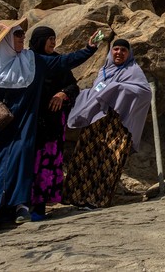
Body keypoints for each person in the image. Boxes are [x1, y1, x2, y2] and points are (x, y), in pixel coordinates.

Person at [0, 18, 98, 238]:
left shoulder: (31, 60)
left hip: (20, 130)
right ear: (4, 38)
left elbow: (63, 62)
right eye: (17, 34)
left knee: (18, 162)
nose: (23, 38)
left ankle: (17, 208)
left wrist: (89, 49)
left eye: (22, 34)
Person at [63, 39, 152, 208]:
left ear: (129, 54)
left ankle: (97, 200)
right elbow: (96, 92)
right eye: (116, 49)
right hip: (96, 122)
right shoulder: (104, 71)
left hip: (117, 126)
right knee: (86, 157)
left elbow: (144, 93)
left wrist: (117, 89)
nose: (119, 52)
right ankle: (75, 197)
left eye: (123, 50)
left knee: (109, 162)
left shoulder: (133, 71)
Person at [28, 27, 81, 221]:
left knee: (45, 165)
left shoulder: (58, 62)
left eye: (54, 39)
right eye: (49, 39)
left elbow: (73, 85)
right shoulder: (26, 60)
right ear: (39, 40)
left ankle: (39, 207)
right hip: (29, 122)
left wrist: (63, 93)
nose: (53, 42)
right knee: (26, 162)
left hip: (51, 125)